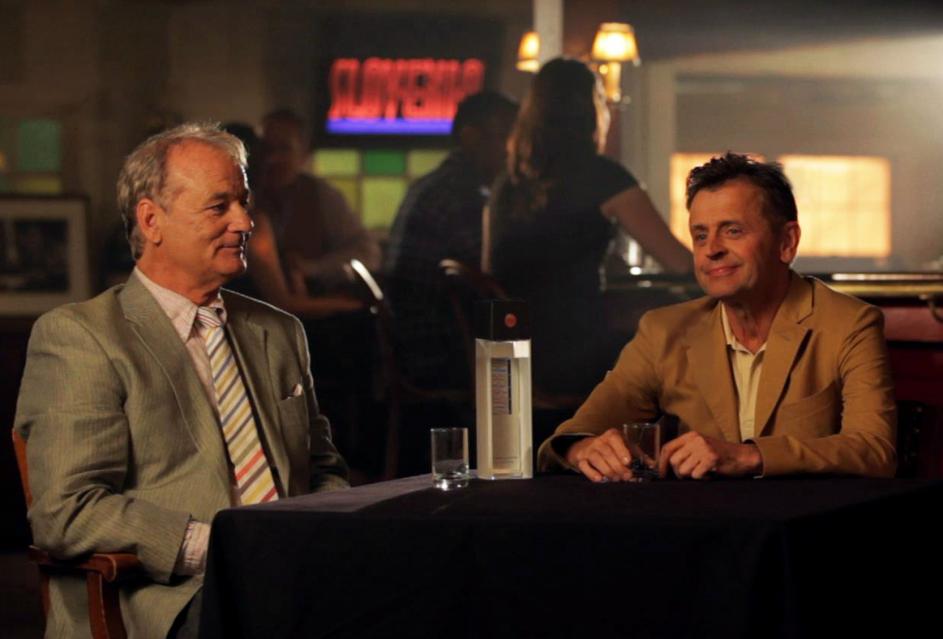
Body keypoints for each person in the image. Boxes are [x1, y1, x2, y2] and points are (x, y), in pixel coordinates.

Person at [14, 123, 349, 638]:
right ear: (152, 220)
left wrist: (322, 541)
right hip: (172, 597)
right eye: (219, 207)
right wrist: (218, 548)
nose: (244, 222)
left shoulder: (280, 331)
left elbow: (323, 470)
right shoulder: (82, 337)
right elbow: (66, 511)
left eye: (244, 202)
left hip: (298, 576)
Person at [539, 152, 897, 480]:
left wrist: (750, 455)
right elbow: (572, 434)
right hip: (700, 526)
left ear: (787, 242)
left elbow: (875, 450)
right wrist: (581, 448)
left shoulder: (850, 324)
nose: (711, 250)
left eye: (732, 231)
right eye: (700, 235)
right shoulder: (663, 332)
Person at [483, 57, 691, 397]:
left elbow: (490, 271)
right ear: (592, 110)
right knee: (675, 343)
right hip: (572, 356)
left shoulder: (507, 183)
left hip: (509, 356)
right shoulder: (603, 178)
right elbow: (680, 263)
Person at [384, 91, 518, 391]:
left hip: (412, 344)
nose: (512, 151)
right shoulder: (458, 194)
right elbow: (494, 273)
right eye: (505, 137)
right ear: (471, 137)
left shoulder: (437, 183)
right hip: (439, 351)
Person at [258, 108, 380, 293]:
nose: (272, 159)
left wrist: (314, 269)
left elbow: (367, 253)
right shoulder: (247, 194)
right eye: (267, 149)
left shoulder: (323, 195)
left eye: (284, 149)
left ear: (304, 154)